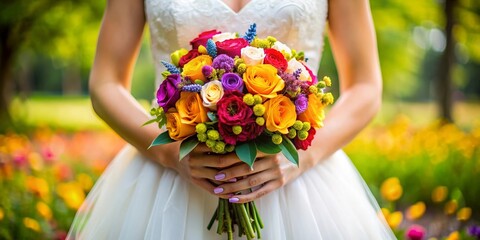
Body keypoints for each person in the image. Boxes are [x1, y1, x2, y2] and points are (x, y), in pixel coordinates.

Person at [68, 0, 396, 239]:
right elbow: (104, 83)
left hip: (298, 181)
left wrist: (301, 159)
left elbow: (365, 87)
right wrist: (171, 153)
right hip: (170, 179)